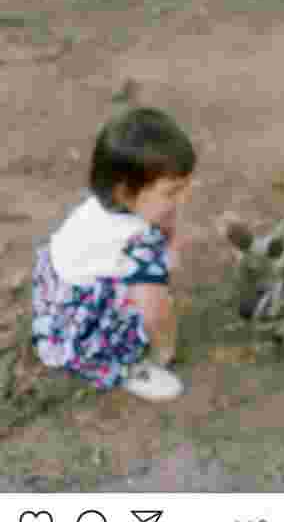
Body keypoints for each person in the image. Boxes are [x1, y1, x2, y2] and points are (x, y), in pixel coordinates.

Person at [32, 107, 196, 401]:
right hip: (76, 328)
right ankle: (121, 363)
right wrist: (165, 347)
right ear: (125, 192)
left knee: (147, 274)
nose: (183, 200)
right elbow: (153, 307)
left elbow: (165, 222)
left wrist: (170, 237)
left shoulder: (102, 208)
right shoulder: (136, 242)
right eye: (172, 192)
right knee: (148, 297)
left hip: (58, 294)